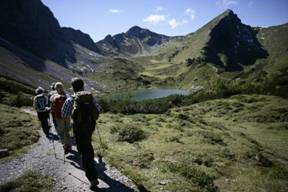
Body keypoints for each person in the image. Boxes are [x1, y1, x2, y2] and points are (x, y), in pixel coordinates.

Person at [62, 77, 100, 190]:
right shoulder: (90, 97)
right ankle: (91, 161)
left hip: (79, 128)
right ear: (83, 86)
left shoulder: (71, 99)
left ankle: (93, 178)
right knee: (87, 144)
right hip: (90, 126)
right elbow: (99, 109)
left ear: (73, 88)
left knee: (83, 150)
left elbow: (64, 113)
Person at [51, 82, 72, 154]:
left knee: (61, 132)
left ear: (56, 88)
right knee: (67, 130)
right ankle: (69, 145)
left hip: (59, 117)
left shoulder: (53, 96)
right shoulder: (67, 95)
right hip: (67, 116)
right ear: (62, 87)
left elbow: (52, 106)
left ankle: (65, 146)